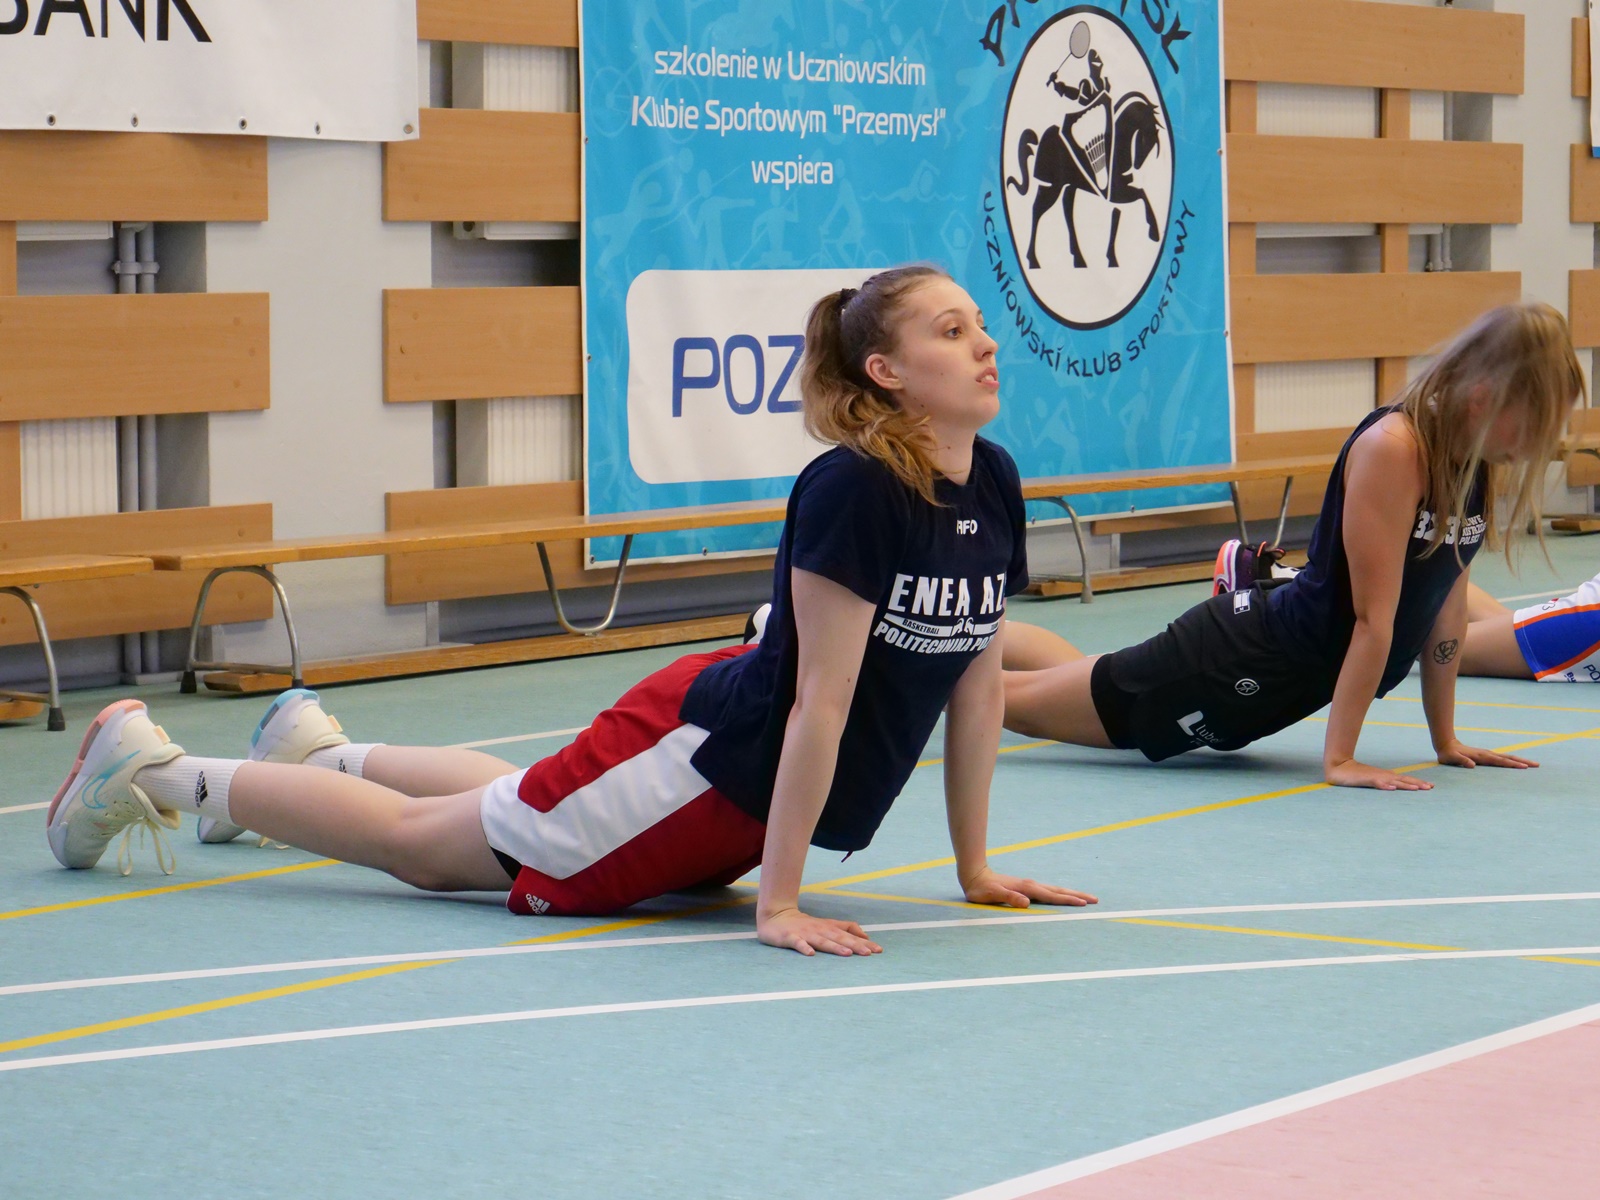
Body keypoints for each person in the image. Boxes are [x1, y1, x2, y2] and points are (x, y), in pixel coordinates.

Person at [45, 265, 1096, 956]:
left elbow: (973, 680)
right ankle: (151, 770)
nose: (984, 343)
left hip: (729, 785)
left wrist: (973, 868)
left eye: (979, 326)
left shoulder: (993, 479)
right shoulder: (855, 490)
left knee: (517, 803)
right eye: (952, 330)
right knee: (432, 849)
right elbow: (818, 705)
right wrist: (778, 905)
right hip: (711, 766)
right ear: (886, 371)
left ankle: (322, 752)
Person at [1002, 302, 1583, 790]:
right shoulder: (1396, 448)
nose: (1542, 443)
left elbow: (1445, 607)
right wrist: (1341, 759)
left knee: (1070, 680)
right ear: (1482, 397)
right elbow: (1372, 619)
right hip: (1232, 661)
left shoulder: (1474, 460)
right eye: (1536, 423)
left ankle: (975, 642)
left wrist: (1445, 739)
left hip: (1270, 686)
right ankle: (948, 656)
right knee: (1008, 705)